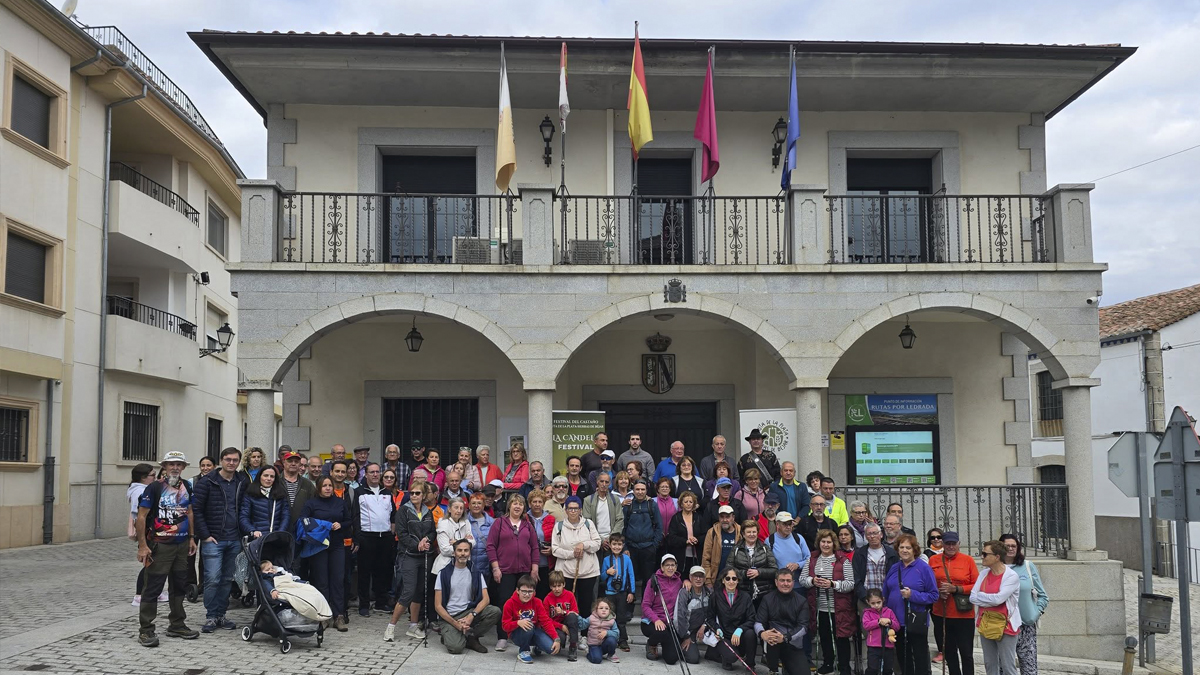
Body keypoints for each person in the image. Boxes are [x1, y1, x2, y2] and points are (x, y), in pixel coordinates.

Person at [134, 451, 199, 647]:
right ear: (164, 466)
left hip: (181, 545)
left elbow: (189, 512)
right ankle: (146, 630)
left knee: (179, 586)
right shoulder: (154, 487)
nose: (175, 468)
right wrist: (143, 546)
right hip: (160, 546)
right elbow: (142, 517)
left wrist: (191, 538)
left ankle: (177, 624)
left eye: (179, 464)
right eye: (171, 464)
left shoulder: (187, 486)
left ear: (184, 468)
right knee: (153, 587)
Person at [193, 446, 248, 634]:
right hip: (213, 539)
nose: (231, 463)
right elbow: (197, 510)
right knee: (212, 578)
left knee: (226, 579)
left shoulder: (242, 481)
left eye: (235, 460)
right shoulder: (207, 482)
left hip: (234, 539)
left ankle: (221, 614)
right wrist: (205, 535)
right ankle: (210, 615)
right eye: (228, 459)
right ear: (221, 461)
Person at [487, 493, 540, 651]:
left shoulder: (527, 524)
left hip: (524, 570)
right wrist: (495, 567)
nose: (517, 506)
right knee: (505, 603)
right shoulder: (499, 523)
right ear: (509, 506)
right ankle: (502, 637)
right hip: (505, 570)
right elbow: (490, 546)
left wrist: (534, 568)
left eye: (521, 504)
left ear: (524, 507)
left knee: (525, 603)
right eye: (514, 503)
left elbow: (535, 547)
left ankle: (524, 634)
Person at [428, 539, 500, 652]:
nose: (463, 553)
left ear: (470, 553)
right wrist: (455, 624)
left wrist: (471, 615)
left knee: (494, 611)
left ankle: (471, 636)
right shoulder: (443, 574)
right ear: (454, 553)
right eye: (459, 550)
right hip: (449, 616)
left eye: (466, 550)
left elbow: (486, 599)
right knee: (456, 648)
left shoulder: (475, 572)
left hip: (468, 612)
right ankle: (451, 635)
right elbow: (438, 606)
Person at [299, 475, 352, 631]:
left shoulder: (340, 503)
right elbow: (304, 520)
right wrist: (322, 525)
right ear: (319, 487)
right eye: (324, 486)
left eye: (330, 485)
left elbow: (349, 521)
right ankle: (323, 616)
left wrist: (340, 525)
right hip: (318, 546)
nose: (328, 488)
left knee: (338, 580)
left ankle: (338, 616)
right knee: (321, 581)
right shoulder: (311, 503)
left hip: (337, 545)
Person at [801, 529, 855, 675]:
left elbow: (850, 584)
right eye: (823, 542)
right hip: (819, 606)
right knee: (824, 636)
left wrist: (833, 584)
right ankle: (828, 663)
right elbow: (802, 579)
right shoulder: (812, 559)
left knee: (841, 637)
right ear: (819, 543)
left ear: (834, 543)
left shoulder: (843, 560)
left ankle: (844, 667)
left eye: (828, 542)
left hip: (838, 607)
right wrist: (812, 581)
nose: (825, 544)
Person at [883, 534, 938, 675]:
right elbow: (886, 591)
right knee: (903, 655)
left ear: (915, 550)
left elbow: (933, 595)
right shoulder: (895, 568)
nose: (905, 550)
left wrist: (913, 595)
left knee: (920, 657)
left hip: (915, 621)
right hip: (896, 621)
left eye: (908, 547)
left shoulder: (923, 568)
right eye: (902, 547)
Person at [390, 480, 437, 640]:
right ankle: (391, 626)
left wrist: (426, 540)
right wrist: (417, 544)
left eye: (418, 493)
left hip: (424, 556)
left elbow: (432, 532)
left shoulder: (427, 511)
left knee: (419, 592)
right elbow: (401, 534)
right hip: (409, 555)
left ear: (423, 495)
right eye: (412, 493)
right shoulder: (403, 510)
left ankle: (413, 626)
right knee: (408, 592)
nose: (414, 496)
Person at [930, 531, 979, 675]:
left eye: (953, 543)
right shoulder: (933, 560)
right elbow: (928, 583)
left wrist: (956, 589)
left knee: (966, 653)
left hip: (963, 614)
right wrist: (938, 592)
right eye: (947, 543)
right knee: (949, 652)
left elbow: (976, 586)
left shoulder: (968, 560)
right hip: (941, 612)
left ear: (958, 544)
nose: (951, 546)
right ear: (942, 544)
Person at [1000, 533, 1049, 675]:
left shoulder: (1028, 566)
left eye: (1013, 546)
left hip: (1026, 625)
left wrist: (1035, 613)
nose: (1010, 548)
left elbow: (1043, 596)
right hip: (1003, 625)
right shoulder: (995, 568)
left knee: (1029, 668)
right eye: (1007, 545)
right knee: (1004, 668)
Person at [971, 540, 1022, 675]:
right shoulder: (983, 574)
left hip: (1006, 625)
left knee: (1008, 666)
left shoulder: (1011, 576)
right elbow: (972, 597)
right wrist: (991, 599)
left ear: (997, 557)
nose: (982, 556)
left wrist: (982, 596)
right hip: (986, 622)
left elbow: (999, 599)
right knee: (989, 664)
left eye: (985, 554)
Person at [353, 463, 396, 616]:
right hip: (366, 536)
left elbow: (392, 515)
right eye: (372, 472)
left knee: (382, 572)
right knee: (364, 573)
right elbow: (356, 516)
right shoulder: (359, 492)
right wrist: (357, 538)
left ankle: (380, 603)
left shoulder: (387, 492)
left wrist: (391, 533)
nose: (375, 475)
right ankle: (364, 605)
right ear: (366, 474)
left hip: (384, 537)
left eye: (378, 472)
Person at [551, 495, 602, 614]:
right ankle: (568, 629)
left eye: (576, 508)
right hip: (566, 571)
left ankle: (584, 631)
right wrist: (572, 554)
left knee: (586, 603)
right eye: (570, 508)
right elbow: (555, 549)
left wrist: (583, 545)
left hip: (588, 571)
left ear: (580, 510)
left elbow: (597, 543)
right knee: (566, 603)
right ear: (566, 510)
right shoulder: (559, 526)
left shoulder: (588, 524)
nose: (573, 511)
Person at [755, 567, 811, 675]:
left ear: (793, 583)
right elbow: (758, 622)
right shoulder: (767, 598)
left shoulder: (802, 601)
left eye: (788, 581)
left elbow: (803, 627)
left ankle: (788, 667)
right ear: (776, 582)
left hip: (792, 643)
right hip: (773, 642)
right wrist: (762, 634)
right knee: (772, 636)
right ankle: (773, 670)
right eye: (782, 580)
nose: (785, 584)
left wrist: (785, 637)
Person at [502, 575, 561, 663]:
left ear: (534, 592)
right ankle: (524, 651)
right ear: (517, 590)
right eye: (524, 591)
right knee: (528, 625)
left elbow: (546, 621)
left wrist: (556, 638)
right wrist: (517, 623)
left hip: (534, 630)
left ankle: (537, 647)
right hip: (517, 633)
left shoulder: (537, 602)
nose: (527, 594)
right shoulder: (509, 603)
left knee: (551, 649)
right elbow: (505, 626)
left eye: (530, 592)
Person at [708, 567, 758, 671]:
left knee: (750, 634)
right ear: (723, 580)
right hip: (724, 635)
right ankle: (720, 654)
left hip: (740, 634)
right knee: (731, 657)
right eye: (728, 578)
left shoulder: (745, 597)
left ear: (738, 581)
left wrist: (740, 629)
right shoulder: (715, 596)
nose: (731, 581)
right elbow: (710, 618)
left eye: (734, 579)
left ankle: (750, 664)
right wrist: (717, 628)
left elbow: (751, 618)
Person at [623, 479, 663, 602]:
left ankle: (647, 605)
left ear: (646, 491)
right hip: (631, 548)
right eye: (637, 489)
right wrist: (625, 547)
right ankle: (629, 607)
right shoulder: (628, 506)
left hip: (648, 548)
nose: (640, 492)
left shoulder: (652, 505)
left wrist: (654, 545)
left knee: (648, 579)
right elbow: (622, 527)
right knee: (631, 577)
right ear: (633, 491)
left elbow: (659, 527)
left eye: (642, 489)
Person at [642, 554, 684, 663]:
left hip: (669, 622)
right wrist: (656, 620)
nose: (670, 568)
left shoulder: (678, 581)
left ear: (676, 567)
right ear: (662, 567)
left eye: (673, 565)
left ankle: (664, 644)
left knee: (672, 659)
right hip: (652, 621)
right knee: (662, 632)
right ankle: (652, 644)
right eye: (667, 565)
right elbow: (645, 605)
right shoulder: (654, 581)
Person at [128, 463, 159, 606]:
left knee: (154, 563)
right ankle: (139, 594)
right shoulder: (139, 491)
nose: (155, 477)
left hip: (151, 530)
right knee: (150, 563)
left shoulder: (142, 489)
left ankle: (151, 592)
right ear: (143, 477)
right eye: (153, 475)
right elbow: (139, 514)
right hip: (147, 531)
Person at [599, 532, 635, 651]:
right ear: (610, 544)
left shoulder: (627, 559)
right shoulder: (605, 560)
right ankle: (610, 638)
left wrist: (632, 592)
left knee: (621, 617)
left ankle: (623, 640)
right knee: (609, 616)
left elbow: (631, 575)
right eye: (614, 544)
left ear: (623, 545)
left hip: (622, 592)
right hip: (609, 593)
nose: (616, 547)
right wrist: (607, 573)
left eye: (619, 544)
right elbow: (602, 578)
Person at [728, 519, 778, 598]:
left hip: (764, 592)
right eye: (748, 532)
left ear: (757, 533)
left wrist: (759, 572)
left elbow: (774, 570)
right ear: (743, 534)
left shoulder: (765, 548)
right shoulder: (736, 549)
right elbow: (728, 569)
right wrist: (744, 573)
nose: (752, 534)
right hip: (742, 592)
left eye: (754, 532)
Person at [853, 523, 898, 608]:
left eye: (875, 533)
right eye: (869, 534)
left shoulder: (891, 553)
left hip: (886, 599)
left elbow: (895, 577)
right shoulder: (859, 554)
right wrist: (864, 596)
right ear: (866, 537)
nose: (872, 536)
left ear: (881, 535)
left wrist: (889, 595)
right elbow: (856, 578)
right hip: (866, 600)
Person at [675, 566, 713, 665]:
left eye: (701, 576)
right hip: (688, 632)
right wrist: (686, 636)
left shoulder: (709, 592)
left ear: (705, 578)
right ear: (690, 577)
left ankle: (712, 653)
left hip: (704, 629)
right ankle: (680, 646)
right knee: (693, 659)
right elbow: (679, 617)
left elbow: (713, 614)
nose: (698, 579)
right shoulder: (685, 593)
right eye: (695, 576)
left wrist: (705, 626)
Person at [240, 465, 288, 539]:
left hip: (276, 538)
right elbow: (244, 517)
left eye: (272, 476)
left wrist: (280, 532)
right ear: (260, 476)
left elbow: (285, 516)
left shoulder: (281, 494)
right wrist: (252, 531)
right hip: (257, 538)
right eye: (266, 475)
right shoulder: (250, 493)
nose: (269, 479)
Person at [544, 570, 582, 661]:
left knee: (572, 617)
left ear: (564, 584)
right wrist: (561, 627)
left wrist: (563, 612)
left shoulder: (570, 595)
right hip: (555, 625)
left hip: (568, 621)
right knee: (560, 640)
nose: (557, 589)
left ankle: (573, 647)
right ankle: (558, 642)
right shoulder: (547, 599)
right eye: (554, 586)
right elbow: (546, 619)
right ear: (550, 586)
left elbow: (575, 612)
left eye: (559, 586)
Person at [582, 472, 624, 550]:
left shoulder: (615, 499)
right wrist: (601, 540)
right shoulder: (588, 500)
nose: (604, 484)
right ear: (597, 482)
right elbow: (587, 522)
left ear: (610, 483)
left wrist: (611, 538)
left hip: (612, 542)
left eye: (606, 482)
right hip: (594, 541)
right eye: (601, 481)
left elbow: (620, 519)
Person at [862, 588, 899, 675]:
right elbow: (866, 625)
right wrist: (878, 622)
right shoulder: (867, 613)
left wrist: (890, 621)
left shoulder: (889, 612)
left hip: (888, 646)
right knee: (872, 668)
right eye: (873, 603)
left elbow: (897, 626)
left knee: (888, 669)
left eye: (878, 602)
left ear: (883, 600)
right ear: (868, 602)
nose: (876, 605)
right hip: (873, 646)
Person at [526, 489, 556, 597]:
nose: (537, 504)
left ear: (544, 503)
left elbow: (556, 539)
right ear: (529, 503)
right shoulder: (524, 519)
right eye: (534, 502)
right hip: (528, 563)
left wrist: (552, 549)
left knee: (544, 594)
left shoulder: (551, 519)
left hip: (546, 562)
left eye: (540, 502)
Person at [666, 491, 704, 572]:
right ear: (681, 504)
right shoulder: (676, 518)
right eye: (686, 502)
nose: (688, 504)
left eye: (691, 502)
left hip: (697, 555)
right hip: (680, 555)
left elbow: (705, 535)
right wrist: (685, 541)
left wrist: (697, 539)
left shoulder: (699, 518)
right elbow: (672, 537)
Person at [702, 505, 741, 582]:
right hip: (717, 578)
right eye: (722, 517)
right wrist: (708, 580)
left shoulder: (740, 533)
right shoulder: (712, 532)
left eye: (727, 517)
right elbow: (706, 558)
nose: (724, 520)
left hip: (735, 579)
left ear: (733, 517)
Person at [278, 450, 315, 530]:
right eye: (290, 461)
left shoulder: (307, 484)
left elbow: (314, 505)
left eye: (296, 461)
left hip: (301, 528)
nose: (293, 463)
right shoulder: (276, 481)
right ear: (284, 462)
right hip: (279, 527)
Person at [769, 511, 811, 576]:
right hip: (779, 583)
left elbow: (809, 559)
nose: (788, 527)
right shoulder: (770, 540)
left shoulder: (798, 538)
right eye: (785, 524)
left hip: (799, 582)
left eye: (790, 524)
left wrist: (797, 565)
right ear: (777, 524)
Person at [580, 597, 621, 663]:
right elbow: (582, 625)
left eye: (606, 608)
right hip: (594, 644)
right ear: (596, 610)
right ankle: (590, 653)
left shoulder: (612, 620)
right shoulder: (591, 618)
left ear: (610, 611)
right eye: (601, 608)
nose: (604, 610)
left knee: (612, 640)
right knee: (597, 660)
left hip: (605, 644)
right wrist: (577, 617)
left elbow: (617, 633)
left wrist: (607, 632)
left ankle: (610, 654)